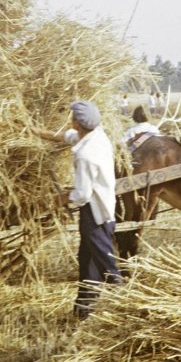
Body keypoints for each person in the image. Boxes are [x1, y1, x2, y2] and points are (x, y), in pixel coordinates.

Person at [34, 101, 120, 319]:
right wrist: (36, 132)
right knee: (87, 259)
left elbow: (82, 194)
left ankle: (126, 299)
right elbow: (67, 137)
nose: (70, 120)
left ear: (78, 123)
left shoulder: (87, 154)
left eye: (72, 117)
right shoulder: (97, 136)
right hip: (103, 207)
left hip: (96, 214)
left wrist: (60, 199)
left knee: (106, 265)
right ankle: (84, 310)